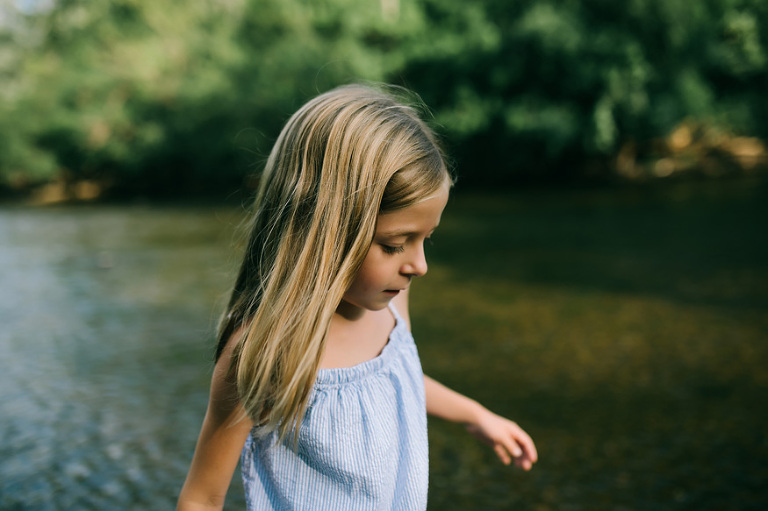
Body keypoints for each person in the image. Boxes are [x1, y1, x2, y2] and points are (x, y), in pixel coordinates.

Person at [177, 84, 537, 511]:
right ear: (324, 231)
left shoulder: (391, 302)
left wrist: (475, 414)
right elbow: (201, 497)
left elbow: (394, 382)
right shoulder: (260, 350)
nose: (419, 266)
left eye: (427, 239)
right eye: (394, 244)